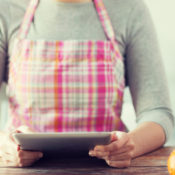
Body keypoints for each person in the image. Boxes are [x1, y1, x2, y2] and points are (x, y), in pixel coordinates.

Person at [0, 0, 174, 168]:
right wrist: (5, 145)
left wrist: (130, 144)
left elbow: (157, 113)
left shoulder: (129, 10)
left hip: (107, 169)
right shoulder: (7, 10)